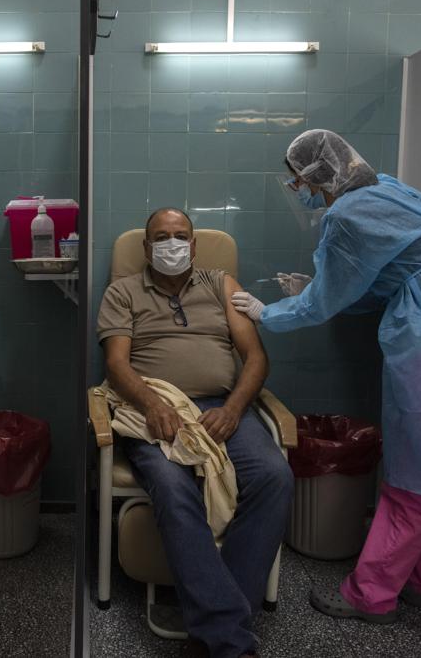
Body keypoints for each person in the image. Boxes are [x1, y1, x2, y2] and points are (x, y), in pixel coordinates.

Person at [232, 129, 421, 623]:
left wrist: (269, 312)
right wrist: (324, 288)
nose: (296, 186)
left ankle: (371, 594)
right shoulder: (388, 188)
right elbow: (399, 269)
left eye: (297, 177)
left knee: (418, 470)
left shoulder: (344, 215)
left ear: (318, 172)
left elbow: (325, 302)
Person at [98, 207, 293, 658]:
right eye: (161, 237)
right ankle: (228, 640)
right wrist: (152, 403)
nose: (172, 244)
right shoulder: (122, 291)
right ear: (146, 248)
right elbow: (117, 365)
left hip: (223, 409)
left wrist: (232, 409)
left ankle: (215, 625)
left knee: (274, 476)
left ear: (194, 243)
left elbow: (257, 358)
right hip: (156, 407)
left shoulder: (222, 285)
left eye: (180, 235)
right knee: (172, 484)